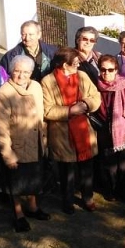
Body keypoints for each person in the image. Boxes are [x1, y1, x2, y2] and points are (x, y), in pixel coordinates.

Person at [0, 55, 50, 232]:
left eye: (25, 72)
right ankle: (19, 215)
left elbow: (41, 114)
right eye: (17, 71)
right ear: (10, 71)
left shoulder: (36, 86)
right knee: (16, 184)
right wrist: (7, 154)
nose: (20, 75)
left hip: (37, 142)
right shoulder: (4, 93)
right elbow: (1, 127)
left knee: (34, 179)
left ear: (31, 73)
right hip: (17, 147)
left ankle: (32, 208)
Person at [42, 47, 101, 214]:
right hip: (62, 133)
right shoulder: (47, 81)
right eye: (74, 64)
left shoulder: (82, 76)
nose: (77, 66)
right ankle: (67, 201)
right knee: (66, 171)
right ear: (63, 65)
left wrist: (86, 104)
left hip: (84, 129)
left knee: (87, 167)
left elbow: (95, 96)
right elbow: (47, 110)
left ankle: (87, 198)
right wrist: (70, 111)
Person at [93, 54, 125, 201]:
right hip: (105, 132)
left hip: (123, 131)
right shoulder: (96, 86)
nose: (106, 73)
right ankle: (110, 190)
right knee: (109, 166)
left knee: (124, 166)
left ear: (116, 70)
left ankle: (124, 191)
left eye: (110, 70)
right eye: (103, 70)